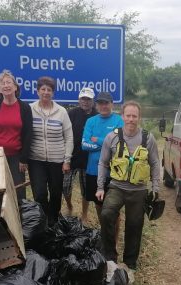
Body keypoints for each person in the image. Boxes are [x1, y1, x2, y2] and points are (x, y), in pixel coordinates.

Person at [96, 101, 160, 270]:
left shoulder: (149, 138)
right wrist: (100, 187)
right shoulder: (112, 137)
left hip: (138, 189)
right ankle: (109, 257)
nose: (131, 119)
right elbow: (102, 163)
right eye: (128, 115)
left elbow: (154, 164)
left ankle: (130, 263)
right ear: (122, 116)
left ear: (139, 117)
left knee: (135, 224)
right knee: (107, 214)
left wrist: (155, 188)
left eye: (134, 116)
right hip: (117, 187)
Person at [29, 76, 73, 225]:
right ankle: (42, 220)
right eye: (43, 89)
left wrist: (67, 160)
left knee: (55, 193)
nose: (46, 92)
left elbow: (69, 137)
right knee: (40, 193)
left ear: (53, 93)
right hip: (36, 159)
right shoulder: (30, 109)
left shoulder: (61, 112)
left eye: (49, 90)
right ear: (37, 91)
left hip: (57, 160)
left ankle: (53, 222)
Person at [0, 69, 32, 201]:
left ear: (15, 87)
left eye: (9, 82)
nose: (6, 85)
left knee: (18, 192)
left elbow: (28, 134)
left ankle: (19, 219)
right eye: (2, 83)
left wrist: (24, 159)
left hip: (16, 157)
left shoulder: (24, 107)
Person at [81, 92, 123, 220]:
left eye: (106, 103)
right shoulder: (91, 121)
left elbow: (117, 144)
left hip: (113, 172)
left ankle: (113, 238)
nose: (103, 106)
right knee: (98, 204)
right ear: (96, 105)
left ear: (112, 104)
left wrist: (97, 140)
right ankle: (104, 232)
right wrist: (106, 142)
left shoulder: (119, 120)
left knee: (113, 207)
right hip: (93, 170)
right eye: (100, 103)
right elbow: (84, 144)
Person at [64, 87, 98, 221]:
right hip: (71, 157)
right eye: (83, 98)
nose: (85, 101)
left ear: (92, 101)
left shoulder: (97, 116)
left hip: (88, 159)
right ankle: (70, 206)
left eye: (88, 99)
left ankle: (84, 213)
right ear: (79, 100)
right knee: (65, 187)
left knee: (86, 190)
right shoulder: (71, 114)